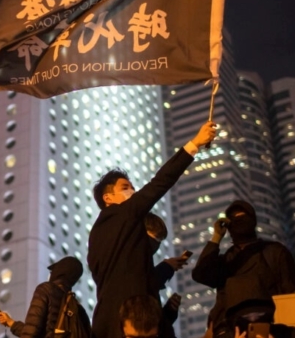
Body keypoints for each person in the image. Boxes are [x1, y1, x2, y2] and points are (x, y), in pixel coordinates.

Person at [87, 121, 218, 338]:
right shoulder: (124, 213)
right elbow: (160, 182)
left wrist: (165, 267)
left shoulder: (99, 234)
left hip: (105, 325)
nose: (134, 191)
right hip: (133, 325)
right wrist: (195, 143)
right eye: (125, 187)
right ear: (108, 198)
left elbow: (128, 274)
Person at [192, 200, 295, 338]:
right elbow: (200, 274)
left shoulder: (274, 252)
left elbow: (294, 294)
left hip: (269, 328)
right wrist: (216, 237)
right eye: (234, 219)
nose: (239, 221)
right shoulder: (226, 260)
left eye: (243, 217)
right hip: (228, 331)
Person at [0, 256, 89, 338]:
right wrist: (11, 323)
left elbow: (31, 332)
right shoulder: (77, 307)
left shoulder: (46, 289)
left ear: (60, 272)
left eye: (52, 271)